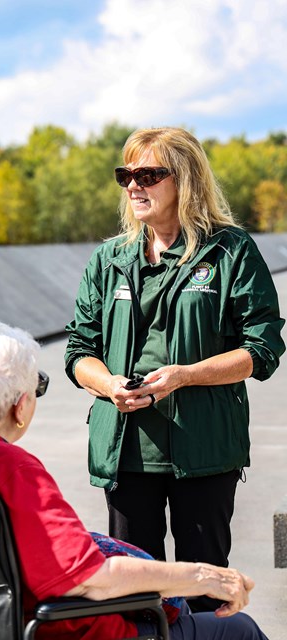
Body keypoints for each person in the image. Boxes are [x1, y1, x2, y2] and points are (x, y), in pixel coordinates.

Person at [0, 320, 269, 640]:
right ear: (20, 406)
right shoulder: (14, 471)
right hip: (64, 630)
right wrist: (207, 577)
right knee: (236, 628)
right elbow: (91, 579)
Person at [64, 127, 285, 612]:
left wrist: (185, 375)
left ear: (185, 180)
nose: (133, 186)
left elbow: (263, 347)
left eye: (148, 174)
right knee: (133, 599)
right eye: (126, 175)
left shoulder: (229, 251)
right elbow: (78, 349)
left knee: (203, 590)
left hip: (203, 452)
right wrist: (108, 386)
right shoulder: (109, 259)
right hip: (126, 454)